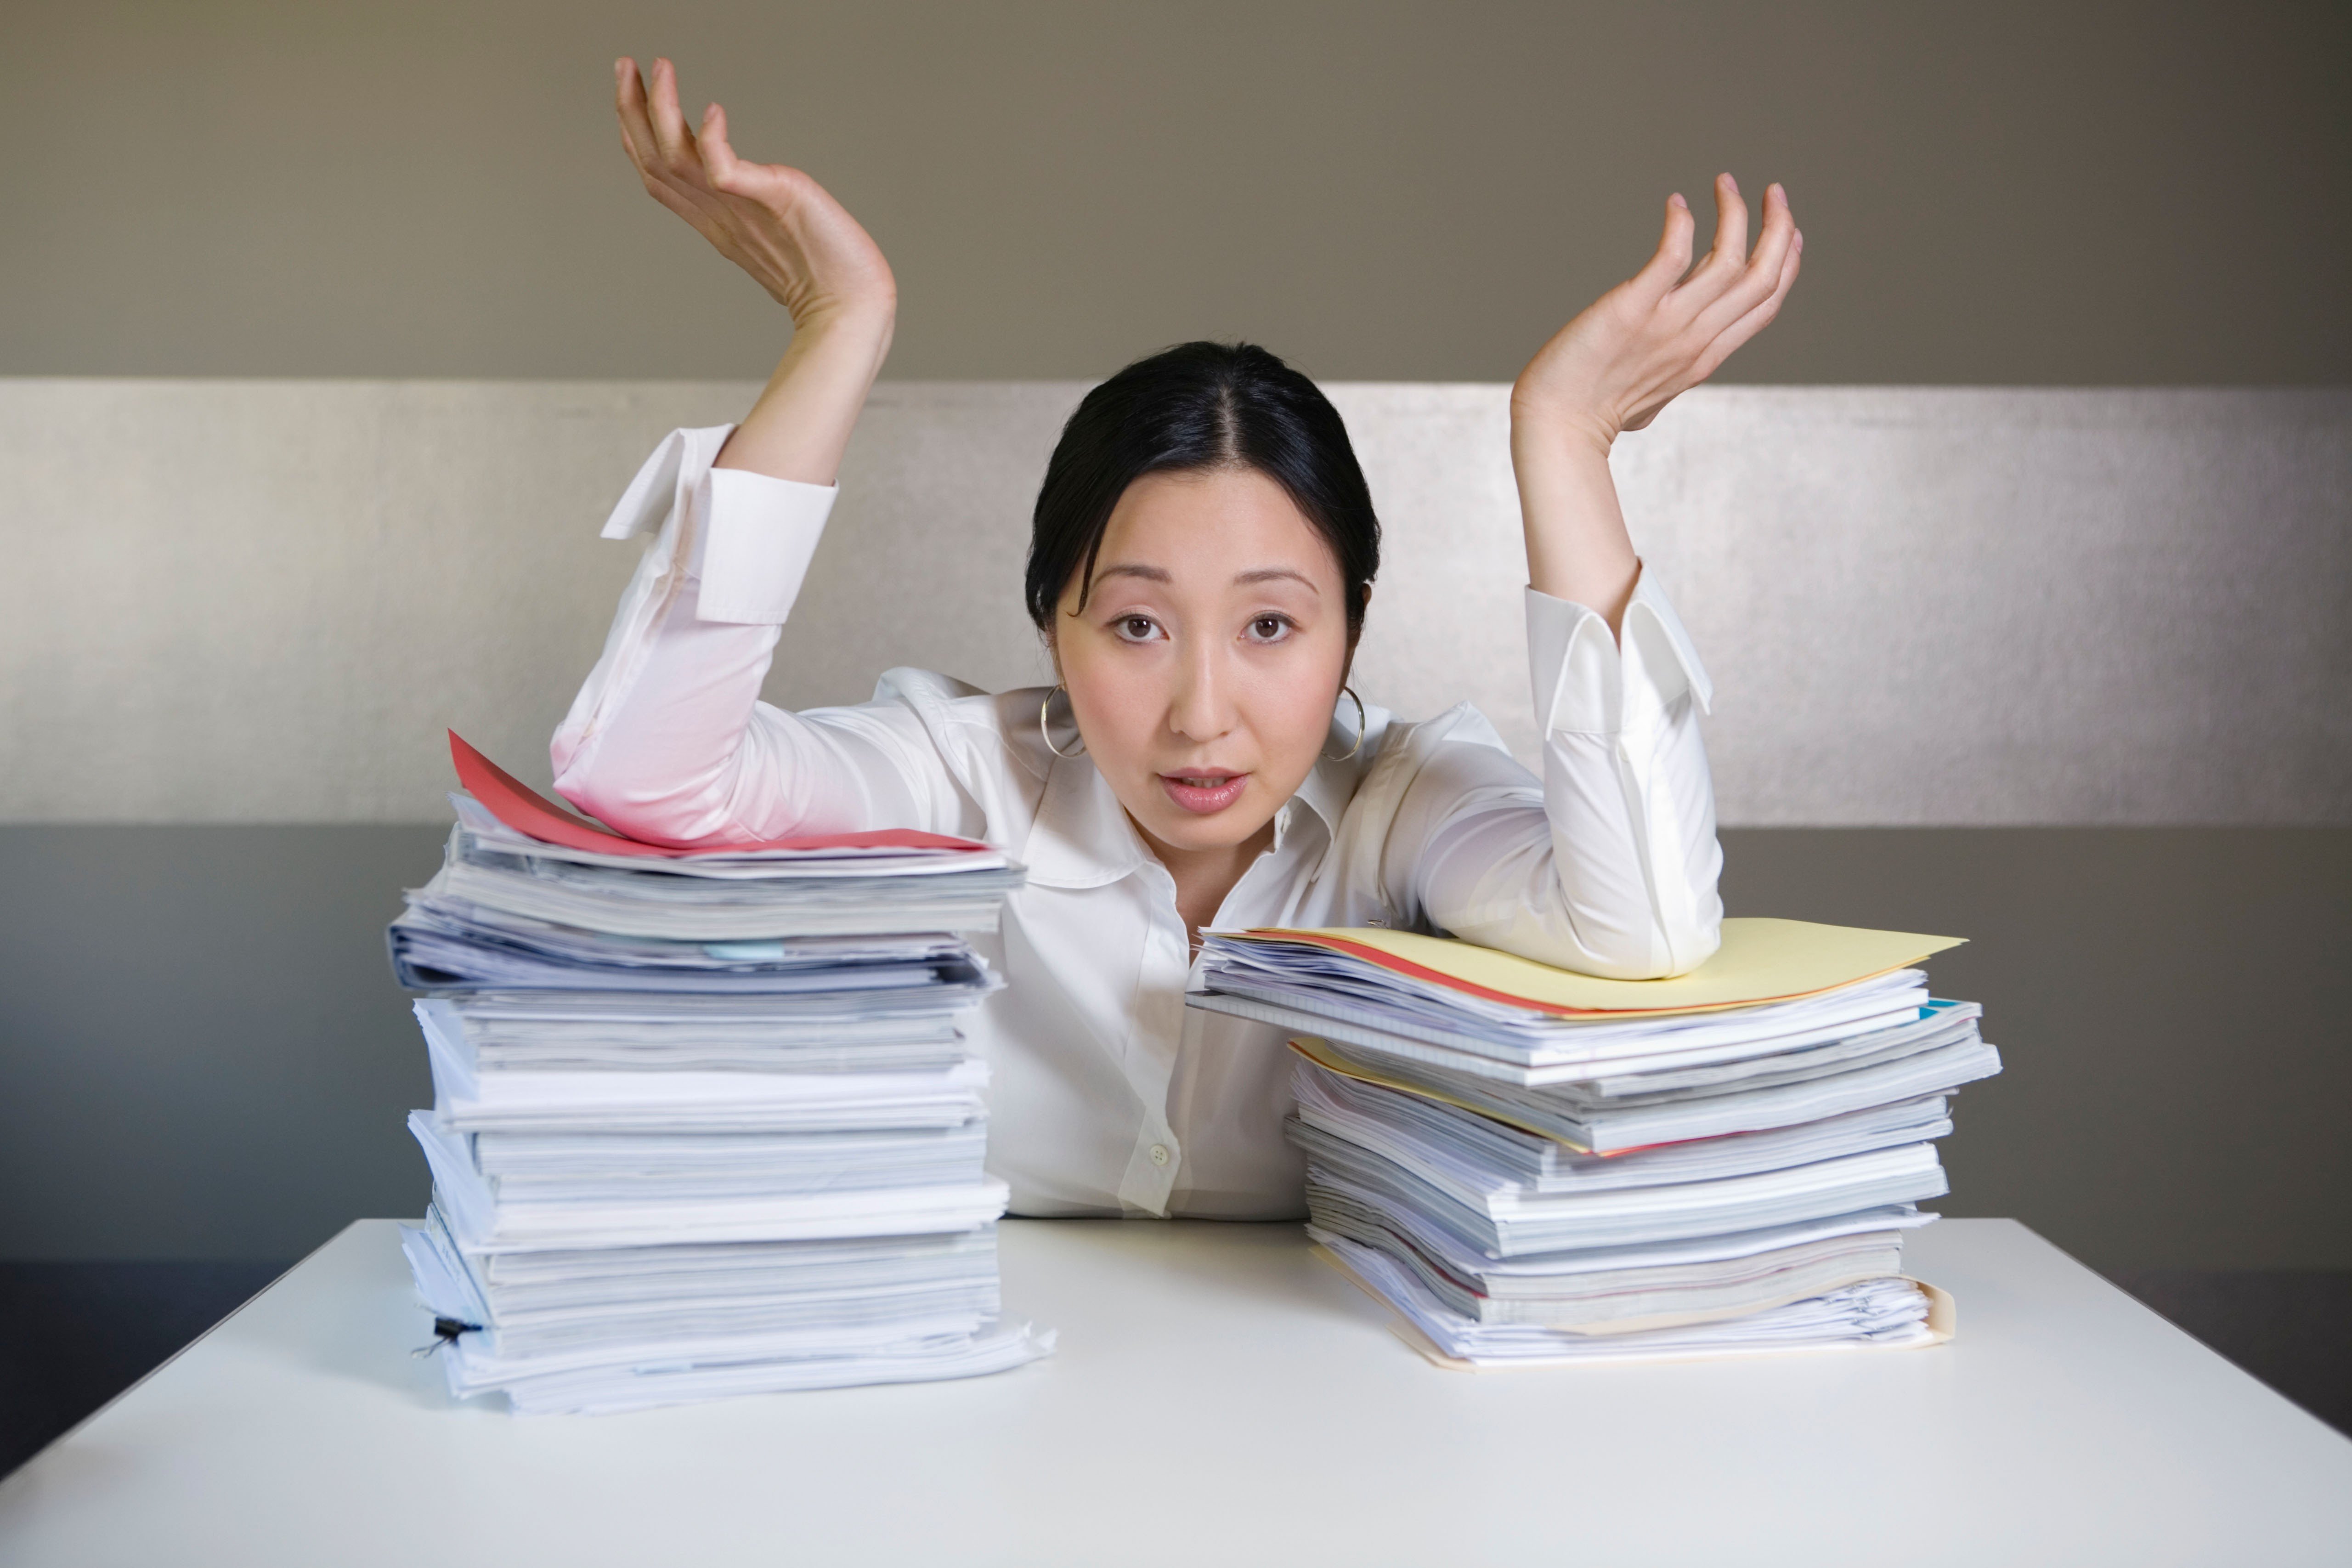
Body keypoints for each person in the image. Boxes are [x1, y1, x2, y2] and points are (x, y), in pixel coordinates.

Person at [554, 57, 1804, 1221]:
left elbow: (1643, 926)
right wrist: (841, 323)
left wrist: (1566, 438)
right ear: (1055, 622)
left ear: (1353, 628)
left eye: (1270, 625)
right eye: (1139, 625)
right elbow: (644, 778)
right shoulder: (961, 777)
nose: (1203, 713)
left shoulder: (1403, 802)